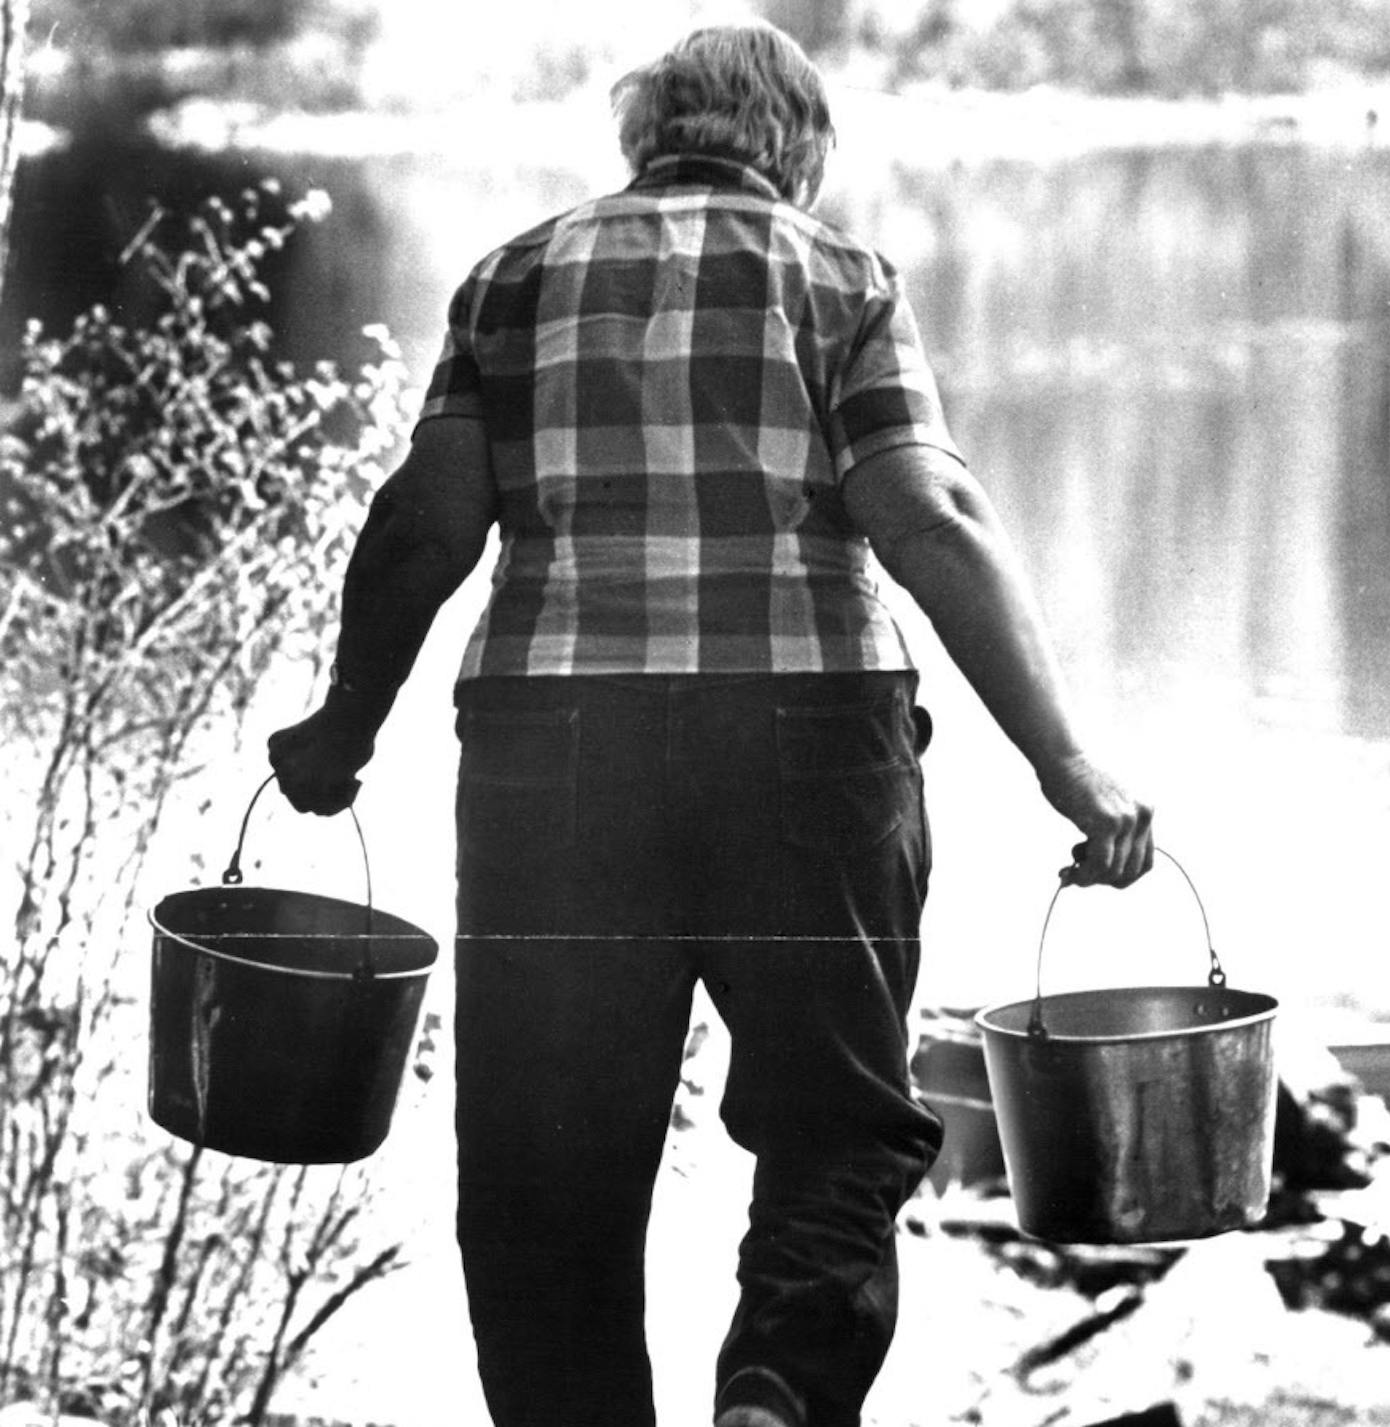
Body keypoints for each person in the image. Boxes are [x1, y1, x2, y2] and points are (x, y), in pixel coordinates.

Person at [267, 22, 1154, 1427]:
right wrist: (1065, 759)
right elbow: (926, 511)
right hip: (809, 742)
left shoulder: (515, 277)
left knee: (543, 1171)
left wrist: (344, 725)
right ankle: (778, 1398)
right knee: (840, 1122)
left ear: (647, 139)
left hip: (553, 755)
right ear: (796, 150)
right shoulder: (843, 278)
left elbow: (425, 519)